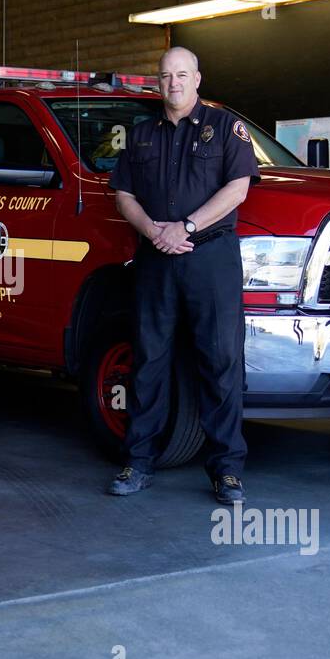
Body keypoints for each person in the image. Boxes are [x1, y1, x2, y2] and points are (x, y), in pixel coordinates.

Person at [107, 47, 259, 502]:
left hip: (209, 257)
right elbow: (123, 195)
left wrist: (187, 226)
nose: (173, 83)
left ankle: (227, 470)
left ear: (198, 79)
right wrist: (154, 230)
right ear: (158, 83)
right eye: (165, 76)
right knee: (150, 360)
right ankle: (137, 462)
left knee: (220, 362)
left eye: (181, 75)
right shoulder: (141, 136)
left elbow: (239, 187)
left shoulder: (225, 126)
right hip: (156, 257)